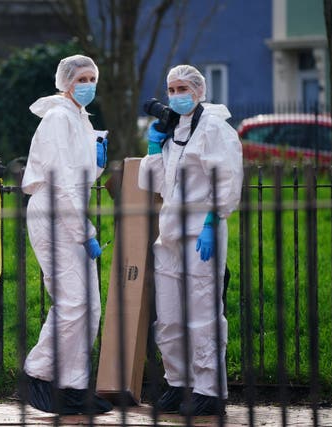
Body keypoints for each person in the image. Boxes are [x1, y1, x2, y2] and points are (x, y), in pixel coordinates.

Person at [138, 64, 243, 416]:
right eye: (171, 89)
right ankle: (177, 382)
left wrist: (214, 219)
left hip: (202, 232)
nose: (176, 95)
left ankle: (208, 390)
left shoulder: (215, 128)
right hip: (169, 232)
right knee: (168, 316)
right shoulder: (176, 130)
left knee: (202, 313)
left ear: (199, 91)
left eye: (183, 88)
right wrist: (155, 147)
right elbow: (158, 184)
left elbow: (226, 179)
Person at [21, 54, 112, 415]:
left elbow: (82, 177)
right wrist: (85, 231)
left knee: (89, 305)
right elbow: (62, 183)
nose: (88, 85)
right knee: (73, 303)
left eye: (92, 78)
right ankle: (39, 375)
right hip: (55, 213)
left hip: (70, 215)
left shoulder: (80, 118)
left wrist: (99, 159)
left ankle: (73, 385)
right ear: (66, 82)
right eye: (81, 78)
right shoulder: (59, 117)